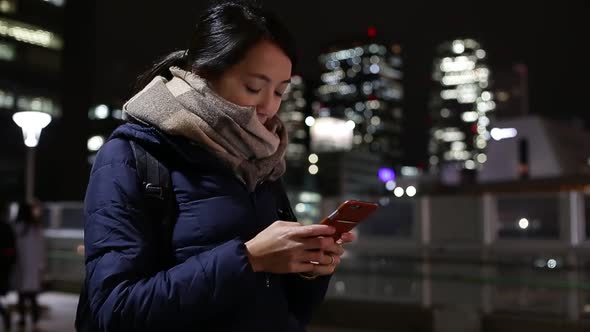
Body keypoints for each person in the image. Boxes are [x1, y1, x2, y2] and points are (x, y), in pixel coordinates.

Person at [83, 1, 354, 331]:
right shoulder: (130, 155)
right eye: (254, 87)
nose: (269, 106)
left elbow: (286, 310)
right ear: (202, 71)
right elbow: (113, 310)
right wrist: (249, 258)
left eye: (280, 92)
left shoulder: (260, 162)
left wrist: (307, 267)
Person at [13, 200, 45, 328]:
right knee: (32, 296)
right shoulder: (36, 229)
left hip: (20, 266)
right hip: (33, 268)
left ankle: (22, 319)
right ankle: (35, 319)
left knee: (21, 295)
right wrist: (41, 266)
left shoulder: (16, 228)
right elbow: (41, 249)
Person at [0, 201, 17, 331]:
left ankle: (5, 313)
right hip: (4, 267)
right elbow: (12, 251)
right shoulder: (7, 227)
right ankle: (5, 313)